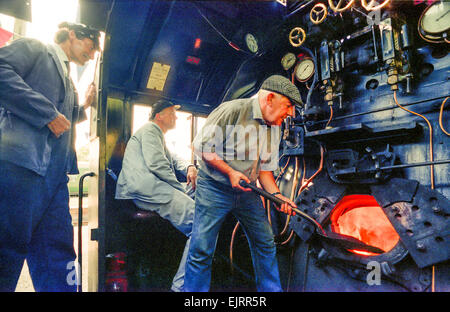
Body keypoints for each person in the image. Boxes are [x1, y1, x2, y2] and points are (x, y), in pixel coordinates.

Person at [0, 22, 100, 292]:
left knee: (59, 254)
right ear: (72, 35)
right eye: (90, 46)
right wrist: (46, 113)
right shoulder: (36, 48)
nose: (91, 56)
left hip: (54, 181)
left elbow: (62, 121)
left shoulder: (68, 80)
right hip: (22, 169)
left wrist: (84, 106)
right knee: (7, 251)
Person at [184, 74, 302, 292]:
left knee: (265, 243)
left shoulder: (274, 126)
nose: (289, 113)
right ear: (270, 99)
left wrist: (277, 197)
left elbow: (265, 171)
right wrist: (230, 171)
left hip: (247, 192)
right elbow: (201, 147)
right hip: (214, 189)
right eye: (287, 106)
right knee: (201, 250)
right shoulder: (232, 110)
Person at [115, 99, 198, 292]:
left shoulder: (156, 135)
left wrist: (191, 167)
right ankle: (181, 287)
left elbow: (174, 159)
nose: (176, 116)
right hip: (146, 188)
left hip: (148, 187)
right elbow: (157, 164)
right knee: (201, 222)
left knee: (197, 193)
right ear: (159, 116)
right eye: (172, 112)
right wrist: (179, 188)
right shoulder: (151, 130)